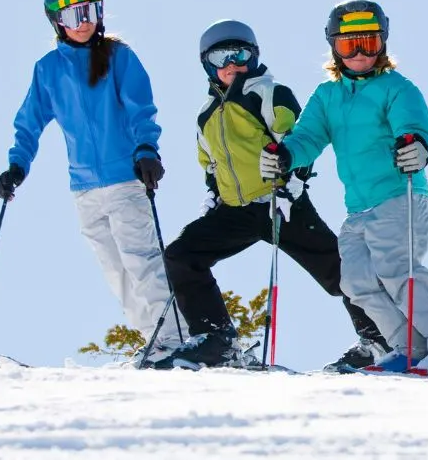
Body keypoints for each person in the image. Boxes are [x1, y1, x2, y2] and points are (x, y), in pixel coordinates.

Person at [259, 0, 428, 379]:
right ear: (334, 48)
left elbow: (414, 126)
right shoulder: (328, 95)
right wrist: (285, 155)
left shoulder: (396, 87)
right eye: (350, 45)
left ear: (383, 45)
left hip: (398, 194)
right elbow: (308, 136)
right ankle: (408, 348)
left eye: (369, 43)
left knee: (398, 271)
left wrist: (416, 146)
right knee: (356, 280)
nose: (360, 53)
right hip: (358, 207)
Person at [155, 19, 390, 370]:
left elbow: (296, 138)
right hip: (235, 209)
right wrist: (212, 194)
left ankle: (379, 339)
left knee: (337, 269)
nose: (233, 64)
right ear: (207, 64)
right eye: (223, 57)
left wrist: (293, 179)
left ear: (255, 57)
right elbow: (211, 162)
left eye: (242, 54)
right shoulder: (206, 115)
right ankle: (217, 340)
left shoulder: (268, 93)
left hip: (281, 202)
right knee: (180, 255)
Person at [0, 0, 179, 366]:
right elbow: (29, 122)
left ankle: (174, 339)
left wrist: (147, 149)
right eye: (75, 13)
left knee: (140, 259)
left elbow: (140, 109)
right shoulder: (48, 70)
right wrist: (17, 165)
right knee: (116, 272)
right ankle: (156, 344)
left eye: (93, 10)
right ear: (56, 21)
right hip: (83, 188)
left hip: (125, 179)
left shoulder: (119, 56)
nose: (85, 21)